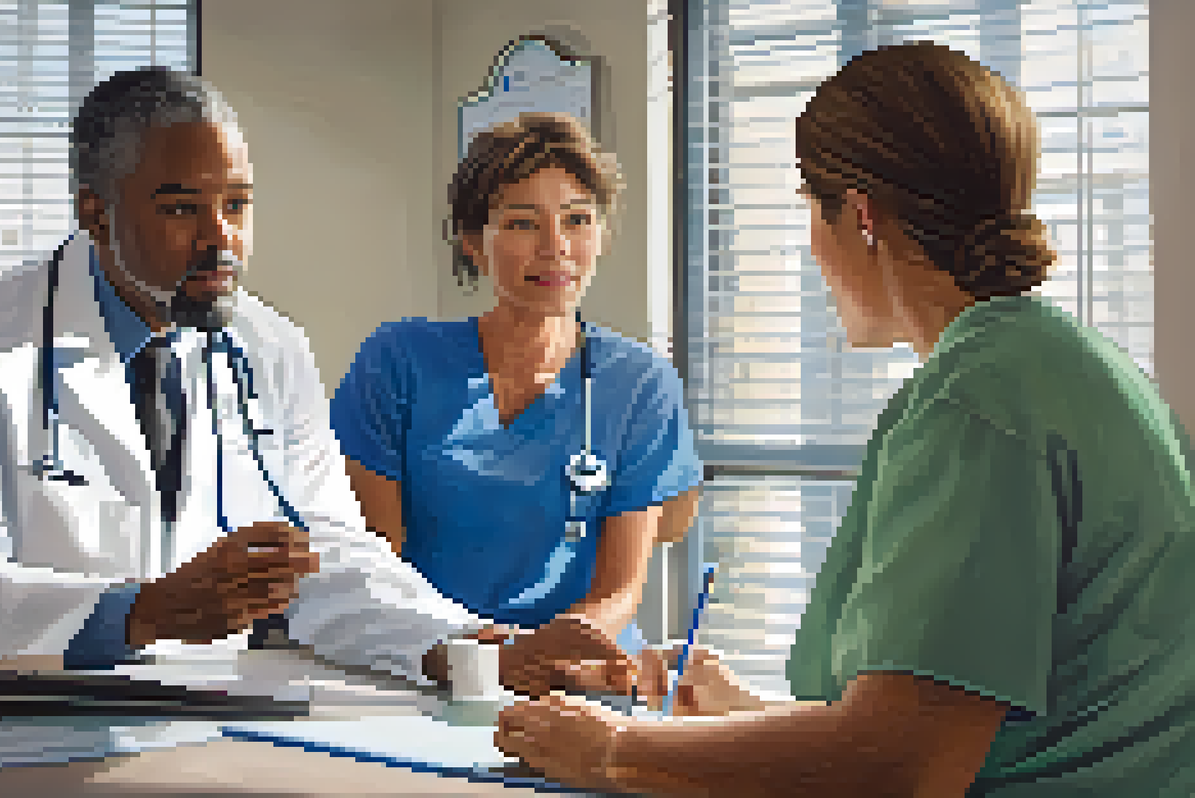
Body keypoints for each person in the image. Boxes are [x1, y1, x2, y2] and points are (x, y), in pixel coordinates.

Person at [496, 40, 1195, 795]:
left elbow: (903, 766)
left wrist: (613, 752)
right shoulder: (1062, 365)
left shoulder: (976, 403)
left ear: (860, 216)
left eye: (809, 209)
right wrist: (749, 717)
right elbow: (959, 729)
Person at [0, 66, 553, 689]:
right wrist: (137, 613)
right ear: (95, 215)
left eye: (237, 204)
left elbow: (327, 554)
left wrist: (466, 645)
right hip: (16, 722)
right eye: (180, 208)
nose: (220, 237)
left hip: (205, 717)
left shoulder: (271, 346)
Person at [332, 112, 703, 695]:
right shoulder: (398, 363)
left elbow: (619, 591)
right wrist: (484, 660)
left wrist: (550, 656)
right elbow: (379, 567)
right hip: (438, 666)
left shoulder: (636, 381)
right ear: (473, 242)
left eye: (578, 221)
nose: (556, 248)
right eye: (523, 223)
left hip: (577, 672)